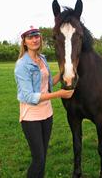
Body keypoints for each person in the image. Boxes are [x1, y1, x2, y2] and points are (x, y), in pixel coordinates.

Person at [14, 25, 74, 178]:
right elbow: (29, 96)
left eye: (37, 36)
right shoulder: (22, 65)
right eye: (30, 37)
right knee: (38, 159)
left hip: (47, 114)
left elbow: (46, 85)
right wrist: (59, 94)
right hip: (31, 117)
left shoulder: (42, 59)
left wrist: (63, 73)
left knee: (43, 156)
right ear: (24, 42)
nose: (35, 39)